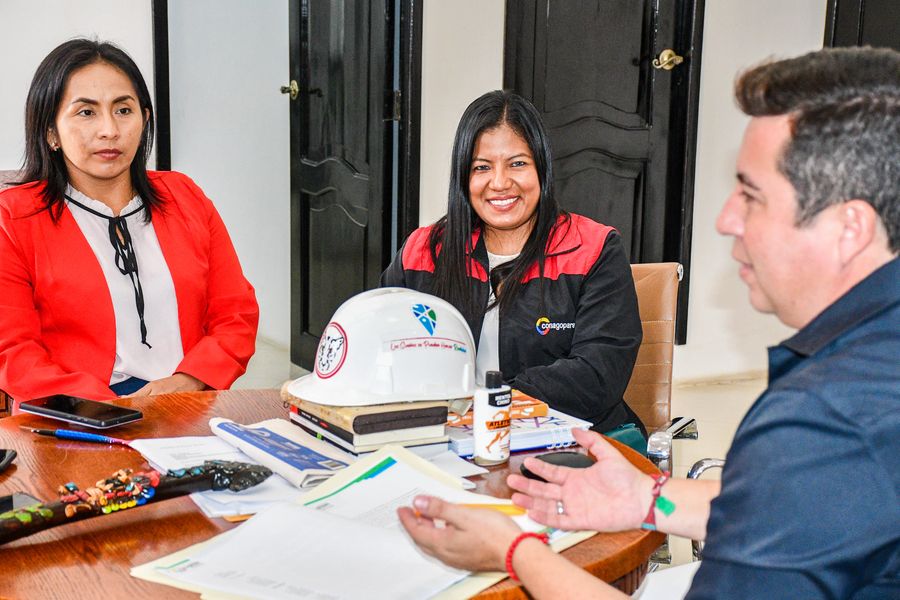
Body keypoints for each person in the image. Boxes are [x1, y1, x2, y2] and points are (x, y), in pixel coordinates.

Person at [399, 47, 900, 598]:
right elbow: (791, 511)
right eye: (481, 167)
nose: (724, 220)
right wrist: (648, 498)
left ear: (850, 227)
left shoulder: (828, 420)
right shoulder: (864, 373)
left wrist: (514, 553)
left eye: (752, 196)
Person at [0, 39, 259, 402]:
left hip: (186, 399)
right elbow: (13, 351)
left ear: (144, 119)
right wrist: (112, 409)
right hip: (76, 411)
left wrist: (191, 380)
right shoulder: (13, 218)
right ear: (50, 131)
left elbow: (235, 312)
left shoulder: (185, 197)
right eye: (86, 112)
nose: (110, 130)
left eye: (123, 110)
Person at [381, 90, 644, 435]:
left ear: (542, 168)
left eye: (517, 163)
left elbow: (598, 375)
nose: (500, 183)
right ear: (463, 177)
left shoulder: (594, 249)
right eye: (482, 167)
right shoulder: (423, 250)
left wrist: (491, 404)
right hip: (445, 437)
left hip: (569, 441)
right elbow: (379, 343)